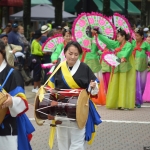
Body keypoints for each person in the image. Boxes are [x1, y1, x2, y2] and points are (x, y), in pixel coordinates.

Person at [46, 41, 101, 150]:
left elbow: (94, 87)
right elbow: (50, 88)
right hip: (61, 108)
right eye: (70, 53)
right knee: (62, 141)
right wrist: (50, 107)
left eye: (76, 54)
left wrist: (93, 86)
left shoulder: (84, 68)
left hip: (80, 108)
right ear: (65, 53)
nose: (73, 57)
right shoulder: (58, 67)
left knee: (77, 141)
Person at [0, 40, 34, 150]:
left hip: (8, 127)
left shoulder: (13, 74)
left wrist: (12, 101)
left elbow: (22, 102)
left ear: (2, 52)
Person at [98, 28, 136, 109]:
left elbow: (126, 54)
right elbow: (107, 41)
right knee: (115, 84)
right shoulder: (116, 44)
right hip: (117, 66)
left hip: (125, 68)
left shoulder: (129, 45)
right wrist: (98, 34)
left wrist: (121, 58)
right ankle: (116, 103)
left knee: (123, 84)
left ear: (123, 36)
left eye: (118, 36)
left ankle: (123, 104)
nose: (117, 38)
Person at [131, 28, 150, 107]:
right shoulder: (132, 43)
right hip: (134, 66)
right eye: (135, 35)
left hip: (142, 67)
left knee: (142, 84)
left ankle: (139, 101)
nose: (136, 37)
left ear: (142, 36)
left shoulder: (145, 44)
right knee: (134, 84)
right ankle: (134, 100)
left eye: (138, 36)